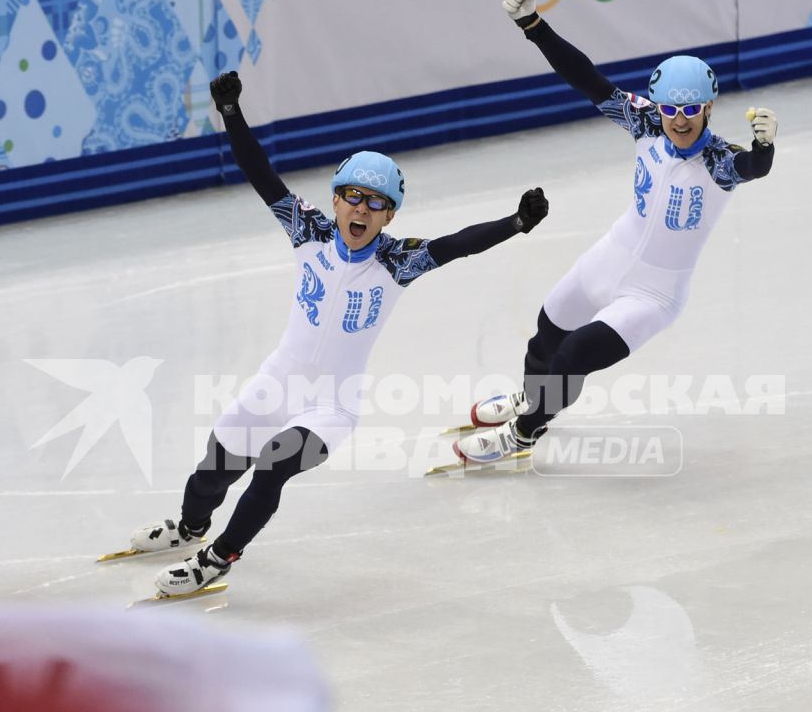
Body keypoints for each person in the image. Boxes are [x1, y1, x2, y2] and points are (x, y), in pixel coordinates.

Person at [132, 70, 548, 597]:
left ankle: (218, 558)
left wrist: (514, 222)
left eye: (376, 203)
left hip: (332, 406)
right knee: (214, 467)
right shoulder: (308, 232)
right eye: (353, 196)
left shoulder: (398, 261)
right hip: (276, 383)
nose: (362, 209)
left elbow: (457, 243)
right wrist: (231, 114)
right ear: (334, 200)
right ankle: (190, 529)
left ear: (389, 214)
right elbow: (263, 177)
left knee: (274, 466)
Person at [453, 0, 778, 464]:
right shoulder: (644, 121)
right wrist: (533, 26)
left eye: (691, 110)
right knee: (547, 329)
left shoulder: (721, 161)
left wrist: (765, 149)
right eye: (671, 108)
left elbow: (754, 168)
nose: (680, 120)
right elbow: (586, 78)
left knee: (574, 356)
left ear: (709, 107)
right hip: (612, 256)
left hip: (655, 293)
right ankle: (532, 397)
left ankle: (525, 432)